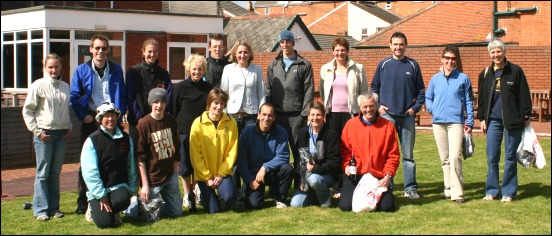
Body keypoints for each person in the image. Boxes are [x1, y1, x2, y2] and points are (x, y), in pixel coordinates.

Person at [70, 34, 127, 214]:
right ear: (91, 49)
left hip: (111, 121)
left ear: (107, 50)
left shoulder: (117, 70)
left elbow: (123, 96)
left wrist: (119, 115)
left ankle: (114, 197)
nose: (100, 51)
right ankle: (83, 201)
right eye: (97, 48)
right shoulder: (81, 70)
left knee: (114, 160)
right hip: (91, 121)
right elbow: (74, 96)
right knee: (87, 163)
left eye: (104, 48)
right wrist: (83, 115)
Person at [370, 31, 425, 199]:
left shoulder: (413, 65)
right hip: (388, 117)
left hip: (407, 116)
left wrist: (414, 109)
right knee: (386, 153)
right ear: (390, 45)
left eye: (401, 44)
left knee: (408, 155)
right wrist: (379, 106)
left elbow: (421, 91)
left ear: (406, 45)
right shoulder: (383, 64)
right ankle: (388, 186)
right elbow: (374, 88)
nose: (398, 47)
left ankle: (410, 188)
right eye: (395, 44)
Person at [476, 39, 532, 203]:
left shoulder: (515, 71)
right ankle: (492, 190)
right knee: (492, 156)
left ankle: (508, 191)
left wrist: (526, 116)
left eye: (498, 51)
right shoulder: (485, 73)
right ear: (489, 54)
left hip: (512, 122)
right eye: (492, 52)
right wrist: (482, 119)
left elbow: (524, 95)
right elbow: (482, 99)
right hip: (493, 121)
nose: (496, 55)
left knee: (510, 157)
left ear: (504, 52)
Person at [22, 53, 72, 221]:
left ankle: (54, 208)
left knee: (55, 173)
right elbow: (28, 110)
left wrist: (69, 126)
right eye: (50, 67)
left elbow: (65, 110)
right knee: (43, 173)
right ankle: (41, 209)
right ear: (45, 68)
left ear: (61, 68)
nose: (53, 70)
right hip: (45, 134)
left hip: (62, 134)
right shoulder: (38, 85)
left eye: (56, 66)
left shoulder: (65, 86)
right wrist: (37, 131)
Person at [319, 36, 368, 199]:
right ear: (333, 51)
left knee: (350, 149)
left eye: (343, 50)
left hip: (351, 114)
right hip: (332, 114)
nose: (340, 53)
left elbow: (363, 92)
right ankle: (337, 185)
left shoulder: (358, 68)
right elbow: (323, 91)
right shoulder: (325, 68)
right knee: (334, 150)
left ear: (347, 51)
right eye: (337, 50)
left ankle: (352, 182)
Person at [426, 46, 474, 204]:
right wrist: (433, 109)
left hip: (455, 122)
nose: (449, 61)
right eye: (447, 57)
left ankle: (458, 193)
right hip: (438, 123)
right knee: (444, 158)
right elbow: (429, 97)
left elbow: (468, 101)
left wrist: (470, 121)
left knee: (455, 157)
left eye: (453, 58)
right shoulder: (435, 79)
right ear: (442, 58)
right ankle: (448, 189)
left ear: (456, 61)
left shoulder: (463, 78)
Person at [338, 92, 400, 212]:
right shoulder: (351, 125)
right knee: (345, 206)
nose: (368, 110)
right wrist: (346, 165)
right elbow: (344, 151)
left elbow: (393, 155)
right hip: (356, 175)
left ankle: (378, 196)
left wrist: (388, 176)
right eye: (365, 107)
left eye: (371, 106)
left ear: (376, 105)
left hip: (378, 176)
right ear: (360, 107)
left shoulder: (388, 126)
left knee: (387, 207)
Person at [81, 102, 138, 228]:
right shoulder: (92, 140)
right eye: (106, 116)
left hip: (118, 185)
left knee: (123, 200)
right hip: (99, 189)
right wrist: (101, 196)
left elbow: (131, 165)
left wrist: (133, 188)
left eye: (113, 115)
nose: (110, 119)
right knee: (104, 224)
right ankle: (92, 208)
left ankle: (114, 210)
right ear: (100, 119)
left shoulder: (125, 138)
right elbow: (90, 173)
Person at [221, 40, 266, 188]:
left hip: (251, 116)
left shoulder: (256, 69)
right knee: (233, 152)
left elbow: (261, 94)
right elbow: (224, 93)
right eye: (240, 52)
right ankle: (235, 189)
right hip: (233, 115)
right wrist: (224, 114)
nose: (242, 55)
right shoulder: (228, 69)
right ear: (235, 53)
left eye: (245, 52)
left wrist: (260, 113)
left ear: (250, 53)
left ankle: (250, 186)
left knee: (250, 152)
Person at [266, 30, 314, 164]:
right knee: (277, 151)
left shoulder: (304, 64)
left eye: (287, 41)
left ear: (293, 43)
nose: (285, 44)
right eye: (282, 42)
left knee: (300, 151)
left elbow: (309, 90)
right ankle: (281, 183)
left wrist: (304, 115)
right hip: (277, 115)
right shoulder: (273, 65)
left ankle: (302, 183)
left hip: (296, 116)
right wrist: (270, 113)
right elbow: (268, 89)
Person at [173, 54, 213, 211]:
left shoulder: (208, 88)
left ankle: (196, 192)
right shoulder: (181, 87)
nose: (197, 72)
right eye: (194, 69)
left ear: (204, 70)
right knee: (185, 164)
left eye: (200, 69)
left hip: (202, 131)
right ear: (189, 70)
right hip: (184, 131)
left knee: (199, 163)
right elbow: (174, 109)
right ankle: (187, 193)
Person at [189, 88, 239, 214]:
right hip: (204, 175)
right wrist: (207, 178)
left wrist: (222, 174)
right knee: (213, 210)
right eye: (215, 103)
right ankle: (202, 193)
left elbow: (232, 151)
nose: (218, 107)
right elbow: (195, 154)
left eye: (222, 104)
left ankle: (222, 194)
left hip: (222, 173)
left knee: (229, 197)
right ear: (209, 103)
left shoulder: (231, 123)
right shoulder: (197, 123)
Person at [237, 103, 294, 210]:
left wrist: (265, 167)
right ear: (258, 115)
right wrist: (249, 180)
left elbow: (283, 156)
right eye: (264, 114)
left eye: (270, 115)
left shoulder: (281, 132)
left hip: (273, 172)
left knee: (287, 169)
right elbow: (241, 160)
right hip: (254, 175)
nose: (266, 118)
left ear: (274, 118)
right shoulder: (247, 132)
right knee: (254, 205)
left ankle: (280, 198)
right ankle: (247, 192)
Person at [136, 88, 182, 217]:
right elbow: (140, 157)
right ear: (151, 103)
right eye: (156, 102)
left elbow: (176, 145)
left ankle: (159, 204)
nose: (159, 105)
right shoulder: (144, 125)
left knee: (176, 213)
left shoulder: (170, 120)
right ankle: (138, 204)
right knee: (151, 217)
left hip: (169, 175)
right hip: (153, 179)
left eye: (162, 102)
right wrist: (144, 185)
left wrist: (174, 170)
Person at [290, 101, 341, 208]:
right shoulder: (303, 133)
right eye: (312, 115)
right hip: (308, 174)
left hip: (327, 175)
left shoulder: (331, 134)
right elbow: (299, 159)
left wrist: (315, 168)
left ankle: (325, 200)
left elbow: (334, 162)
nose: (315, 118)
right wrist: (302, 180)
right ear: (308, 117)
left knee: (314, 179)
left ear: (323, 116)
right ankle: (315, 194)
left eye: (318, 115)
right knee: (295, 204)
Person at [126, 38, 173, 148]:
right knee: (138, 155)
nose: (152, 54)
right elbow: (130, 97)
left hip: (158, 121)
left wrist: (160, 114)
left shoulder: (163, 74)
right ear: (143, 52)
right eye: (149, 51)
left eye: (155, 51)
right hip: (137, 122)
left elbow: (168, 96)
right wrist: (139, 118)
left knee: (157, 155)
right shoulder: (133, 72)